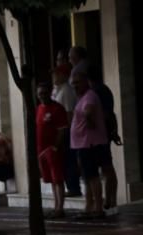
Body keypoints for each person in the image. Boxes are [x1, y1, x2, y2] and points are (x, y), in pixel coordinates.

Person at [70, 70, 109, 219]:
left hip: (89, 144)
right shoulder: (82, 97)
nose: (75, 86)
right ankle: (90, 206)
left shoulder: (89, 96)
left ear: (86, 82)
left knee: (92, 177)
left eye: (77, 83)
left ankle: (97, 207)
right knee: (87, 177)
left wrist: (90, 123)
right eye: (73, 83)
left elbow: (88, 112)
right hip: (83, 144)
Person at [88, 65, 121, 210]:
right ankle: (110, 199)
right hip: (105, 132)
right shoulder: (104, 90)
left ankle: (109, 200)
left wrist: (111, 131)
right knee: (107, 168)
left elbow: (107, 114)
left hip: (101, 134)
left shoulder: (97, 92)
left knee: (106, 168)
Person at [36, 81, 70, 219]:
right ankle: (55, 206)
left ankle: (60, 208)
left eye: (44, 93)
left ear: (50, 92)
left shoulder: (57, 109)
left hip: (52, 150)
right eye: (40, 94)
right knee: (50, 180)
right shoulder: (38, 109)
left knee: (58, 179)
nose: (42, 96)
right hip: (40, 151)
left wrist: (55, 147)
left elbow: (62, 130)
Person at [51, 67, 82, 198]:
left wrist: (66, 131)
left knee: (69, 160)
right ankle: (70, 186)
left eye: (56, 74)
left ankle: (74, 187)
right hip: (59, 131)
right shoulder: (56, 90)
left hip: (66, 131)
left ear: (63, 75)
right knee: (64, 161)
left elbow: (69, 113)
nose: (54, 76)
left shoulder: (66, 91)